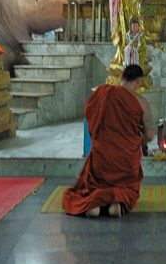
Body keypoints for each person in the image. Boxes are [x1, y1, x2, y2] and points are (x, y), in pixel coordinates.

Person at [62, 64, 155, 217]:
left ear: (122, 77)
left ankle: (94, 207)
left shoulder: (103, 93)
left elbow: (90, 115)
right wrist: (136, 142)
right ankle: (117, 205)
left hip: (103, 158)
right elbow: (150, 135)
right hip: (126, 160)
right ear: (138, 81)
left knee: (93, 186)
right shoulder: (142, 102)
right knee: (124, 187)